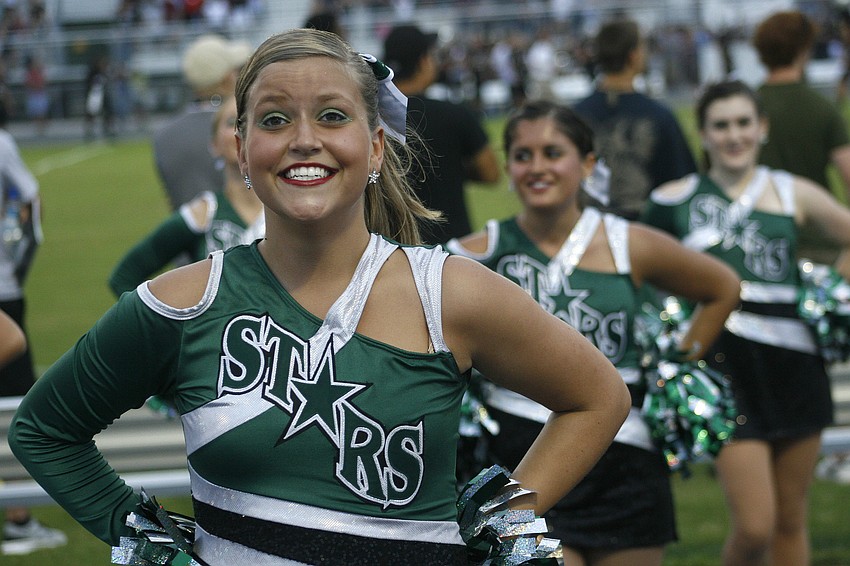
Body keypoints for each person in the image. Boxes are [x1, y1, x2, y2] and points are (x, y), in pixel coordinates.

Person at [8, 28, 631, 565]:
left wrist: (501, 521)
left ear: (377, 146)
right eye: (274, 119)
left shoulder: (451, 293)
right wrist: (148, 542)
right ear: (243, 151)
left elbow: (597, 398)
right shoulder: (180, 303)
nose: (304, 139)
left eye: (333, 115)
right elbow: (43, 430)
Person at [446, 100, 741, 566]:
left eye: (552, 152)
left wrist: (676, 372)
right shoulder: (472, 255)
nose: (537, 167)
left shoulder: (629, 243)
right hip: (524, 462)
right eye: (523, 156)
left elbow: (722, 288)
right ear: (508, 167)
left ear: (587, 164)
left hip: (624, 460)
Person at [641, 79, 850, 566]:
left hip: (796, 363)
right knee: (755, 527)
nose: (733, 135)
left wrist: (832, 295)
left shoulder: (791, 190)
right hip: (720, 372)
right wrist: (671, 329)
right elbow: (642, 272)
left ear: (762, 128)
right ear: (704, 133)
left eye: (743, 123)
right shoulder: (673, 199)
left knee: (791, 520)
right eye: (721, 125)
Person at [109, 97, 264, 297]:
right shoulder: (202, 214)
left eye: (251, 121)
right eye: (230, 122)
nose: (240, 130)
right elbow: (124, 277)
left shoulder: (289, 210)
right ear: (214, 145)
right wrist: (174, 324)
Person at [0, 98, 66, 556]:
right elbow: (30, 196)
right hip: (3, 289)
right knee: (14, 404)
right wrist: (19, 255)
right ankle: (18, 518)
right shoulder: (1, 142)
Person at [382, 23, 501, 245]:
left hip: (391, 248)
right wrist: (450, 167)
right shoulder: (454, 114)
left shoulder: (371, 119)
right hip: (453, 250)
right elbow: (491, 173)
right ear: (423, 61)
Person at [574, 18, 697, 221]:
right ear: (634, 55)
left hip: (587, 232)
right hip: (644, 234)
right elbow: (682, 186)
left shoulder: (573, 116)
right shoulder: (658, 116)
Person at [752, 10, 850, 263]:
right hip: (817, 243)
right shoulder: (821, 108)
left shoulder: (744, 110)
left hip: (757, 244)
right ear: (803, 49)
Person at [152, 34, 252, 211]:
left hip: (186, 233)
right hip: (241, 232)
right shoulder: (241, 127)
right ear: (228, 78)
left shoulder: (163, 135)